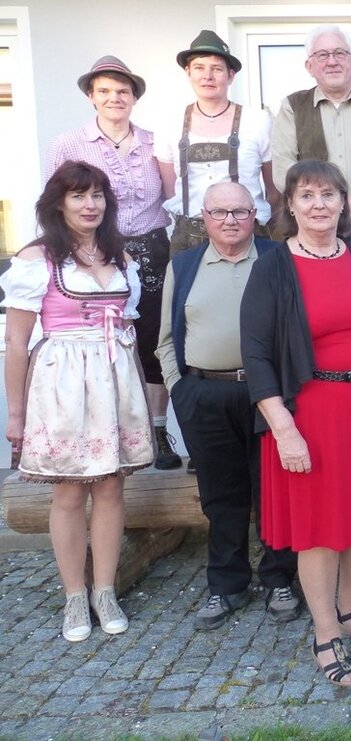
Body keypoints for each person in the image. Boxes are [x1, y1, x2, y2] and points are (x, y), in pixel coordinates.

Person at [240, 159, 351, 687]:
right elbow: (257, 353)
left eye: (329, 195)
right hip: (310, 414)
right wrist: (283, 427)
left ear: (344, 202)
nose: (319, 205)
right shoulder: (273, 266)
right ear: (289, 205)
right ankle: (325, 629)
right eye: (307, 195)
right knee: (321, 527)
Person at [1, 161, 154, 641]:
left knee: (110, 486)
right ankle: (73, 595)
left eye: (98, 196)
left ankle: (104, 589)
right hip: (62, 383)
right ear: (59, 203)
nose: (90, 205)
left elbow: (128, 326)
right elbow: (17, 342)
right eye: (78, 196)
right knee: (69, 490)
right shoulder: (37, 259)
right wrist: (17, 415)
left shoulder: (120, 257)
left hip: (113, 378)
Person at [156, 182, 300, 630]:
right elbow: (164, 339)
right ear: (204, 217)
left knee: (274, 493)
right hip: (205, 394)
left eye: (239, 211)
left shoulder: (279, 259)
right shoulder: (183, 265)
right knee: (221, 497)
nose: (230, 220)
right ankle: (226, 584)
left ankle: (280, 578)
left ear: (255, 213)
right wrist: (182, 390)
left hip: (268, 397)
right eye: (220, 212)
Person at [47, 55, 180, 470]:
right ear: (91, 96)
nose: (114, 98)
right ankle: (111, 432)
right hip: (98, 254)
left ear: (134, 97)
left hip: (154, 249)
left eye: (123, 91)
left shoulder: (155, 141)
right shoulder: (69, 144)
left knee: (155, 343)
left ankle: (157, 431)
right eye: (104, 90)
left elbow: (173, 196)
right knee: (105, 343)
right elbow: (56, 204)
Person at [156, 31, 278, 255]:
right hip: (188, 240)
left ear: (230, 76)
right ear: (188, 72)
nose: (208, 76)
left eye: (217, 68)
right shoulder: (168, 124)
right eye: (199, 67)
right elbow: (170, 190)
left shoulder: (258, 121)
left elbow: (275, 191)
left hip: (248, 236)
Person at [272, 24, 351, 232]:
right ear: (309, 66)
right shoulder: (291, 108)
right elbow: (283, 169)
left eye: (340, 53)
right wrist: (321, 203)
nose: (332, 62)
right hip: (310, 228)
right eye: (322, 55)